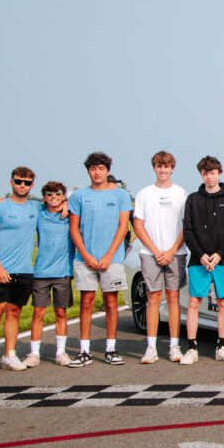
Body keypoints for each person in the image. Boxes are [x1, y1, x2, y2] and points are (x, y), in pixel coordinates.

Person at [68, 152, 132, 366]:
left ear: (108, 170)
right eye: (93, 168)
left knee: (111, 302)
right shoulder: (79, 196)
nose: (97, 172)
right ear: (88, 171)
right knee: (86, 302)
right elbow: (74, 229)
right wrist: (86, 255)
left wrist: (108, 255)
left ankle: (111, 348)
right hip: (85, 258)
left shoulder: (120, 195)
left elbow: (123, 227)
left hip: (112, 259)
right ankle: (84, 350)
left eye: (101, 168)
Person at [0, 166, 40, 374]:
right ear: (11, 182)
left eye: (27, 182)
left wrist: (65, 204)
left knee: (14, 312)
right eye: (18, 181)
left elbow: (55, 204)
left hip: (23, 270)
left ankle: (9, 355)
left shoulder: (35, 208)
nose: (22, 185)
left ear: (32, 185)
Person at [181, 155, 224, 366]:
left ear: (219, 173)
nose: (209, 177)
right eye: (205, 173)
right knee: (194, 301)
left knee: (223, 302)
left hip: (222, 260)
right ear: (201, 175)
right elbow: (188, 231)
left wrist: (221, 253)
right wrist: (201, 254)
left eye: (212, 172)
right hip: (199, 259)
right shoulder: (193, 200)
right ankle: (192, 347)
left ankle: (222, 345)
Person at [132, 151, 188, 364]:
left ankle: (174, 346)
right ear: (154, 168)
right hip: (150, 253)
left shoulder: (181, 193)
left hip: (176, 253)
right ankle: (151, 347)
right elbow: (138, 225)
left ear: (172, 168)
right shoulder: (144, 194)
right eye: (159, 166)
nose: (163, 170)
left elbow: (185, 225)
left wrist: (172, 249)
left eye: (166, 166)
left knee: (174, 298)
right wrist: (156, 251)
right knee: (153, 298)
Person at [24, 181, 74, 368]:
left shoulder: (69, 215)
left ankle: (60, 352)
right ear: (44, 197)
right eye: (49, 194)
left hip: (62, 272)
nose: (54, 197)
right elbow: (21, 203)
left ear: (63, 196)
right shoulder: (39, 214)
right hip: (41, 272)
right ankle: (34, 353)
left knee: (61, 312)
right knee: (38, 312)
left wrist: (68, 204)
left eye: (58, 194)